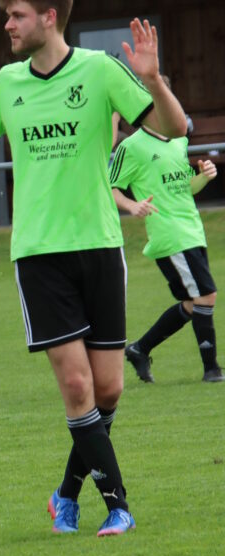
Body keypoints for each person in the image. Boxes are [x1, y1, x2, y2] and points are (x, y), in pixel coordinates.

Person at [0, 4, 188, 536]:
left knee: (108, 390)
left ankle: (66, 493)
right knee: (76, 386)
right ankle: (117, 507)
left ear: (49, 16)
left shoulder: (100, 70)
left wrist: (153, 79)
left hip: (100, 247)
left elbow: (174, 127)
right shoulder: (8, 81)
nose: (7, 25)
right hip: (39, 254)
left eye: (17, 14)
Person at [110, 124, 222, 382]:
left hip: (193, 231)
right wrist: (131, 205)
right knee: (206, 296)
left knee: (194, 303)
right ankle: (212, 370)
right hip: (169, 234)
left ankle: (139, 349)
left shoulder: (178, 140)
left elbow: (186, 187)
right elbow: (109, 187)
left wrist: (204, 176)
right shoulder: (131, 146)